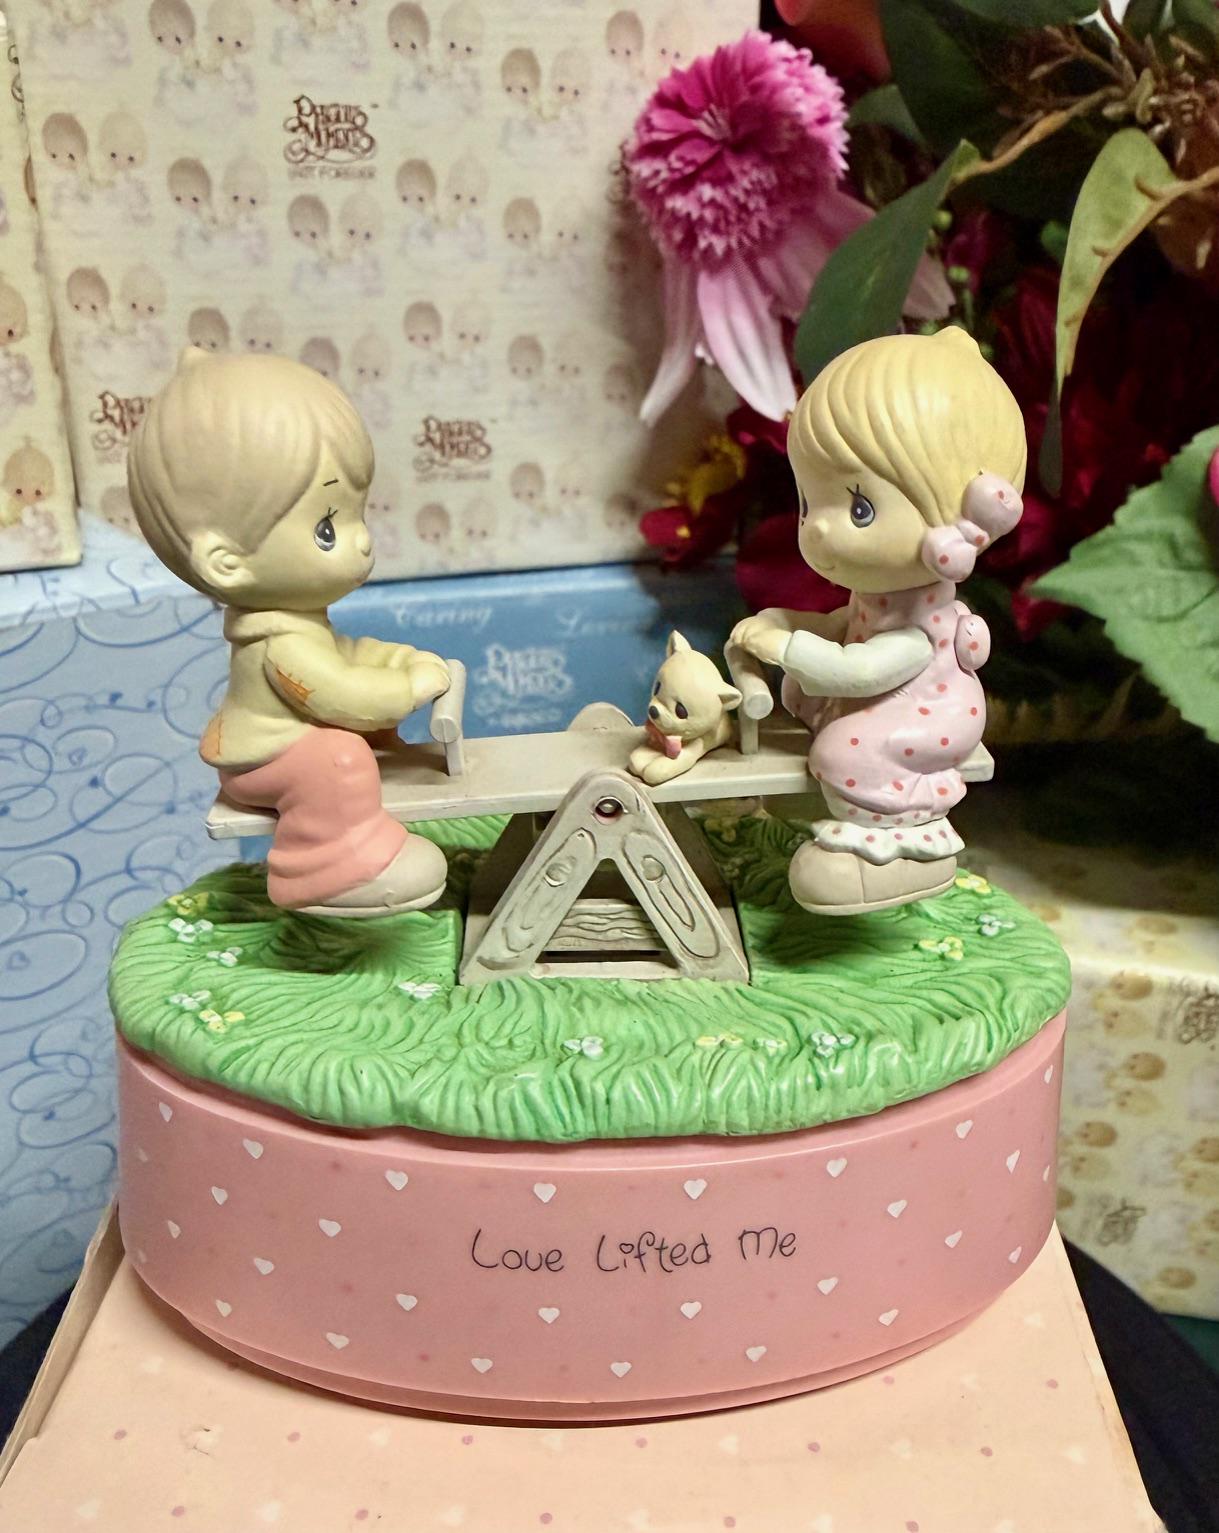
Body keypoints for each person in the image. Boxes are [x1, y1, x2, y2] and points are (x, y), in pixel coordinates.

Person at [127, 346, 448, 916]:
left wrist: (392, 658)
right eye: (327, 528)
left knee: (364, 746)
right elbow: (338, 692)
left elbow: (343, 653)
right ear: (228, 562)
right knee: (339, 758)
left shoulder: (295, 623)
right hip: (264, 761)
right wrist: (404, 688)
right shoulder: (280, 643)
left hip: (277, 747)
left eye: (358, 513)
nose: (362, 538)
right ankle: (329, 870)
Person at [731, 328, 1025, 915]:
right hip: (884, 697)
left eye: (859, 507)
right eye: (809, 503)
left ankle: (901, 846)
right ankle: (827, 803)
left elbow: (860, 669)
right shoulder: (879, 599)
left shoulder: (921, 627)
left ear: (952, 513)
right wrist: (786, 620)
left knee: (843, 748)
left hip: (929, 712)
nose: (817, 527)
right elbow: (844, 625)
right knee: (802, 702)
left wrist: (784, 646)